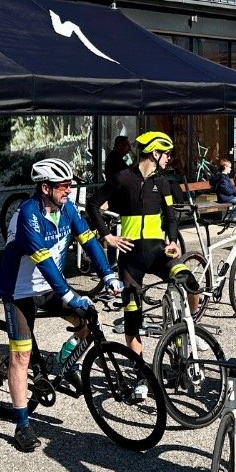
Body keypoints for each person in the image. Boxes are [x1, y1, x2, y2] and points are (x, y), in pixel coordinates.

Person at [0, 157, 119, 453]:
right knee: (21, 358)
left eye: (70, 185)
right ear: (45, 187)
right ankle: (22, 424)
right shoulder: (28, 214)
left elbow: (88, 241)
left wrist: (109, 274)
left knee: (90, 320)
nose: (69, 190)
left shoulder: (67, 210)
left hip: (50, 286)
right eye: (64, 186)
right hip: (19, 290)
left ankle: (60, 363)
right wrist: (68, 295)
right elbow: (45, 261)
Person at [86, 130, 196, 391]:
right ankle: (141, 375)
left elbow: (170, 216)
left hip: (159, 252)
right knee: (133, 317)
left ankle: (192, 328)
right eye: (166, 153)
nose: (169, 158)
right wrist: (107, 237)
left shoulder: (164, 183)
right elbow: (93, 205)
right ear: (154, 153)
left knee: (191, 282)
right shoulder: (123, 178)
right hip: (131, 258)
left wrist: (171, 240)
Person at [212, 156, 236, 223]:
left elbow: (231, 187)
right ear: (225, 167)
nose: (231, 169)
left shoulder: (225, 176)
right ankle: (232, 218)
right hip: (224, 197)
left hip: (228, 196)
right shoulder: (222, 177)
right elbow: (226, 189)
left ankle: (234, 217)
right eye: (230, 167)